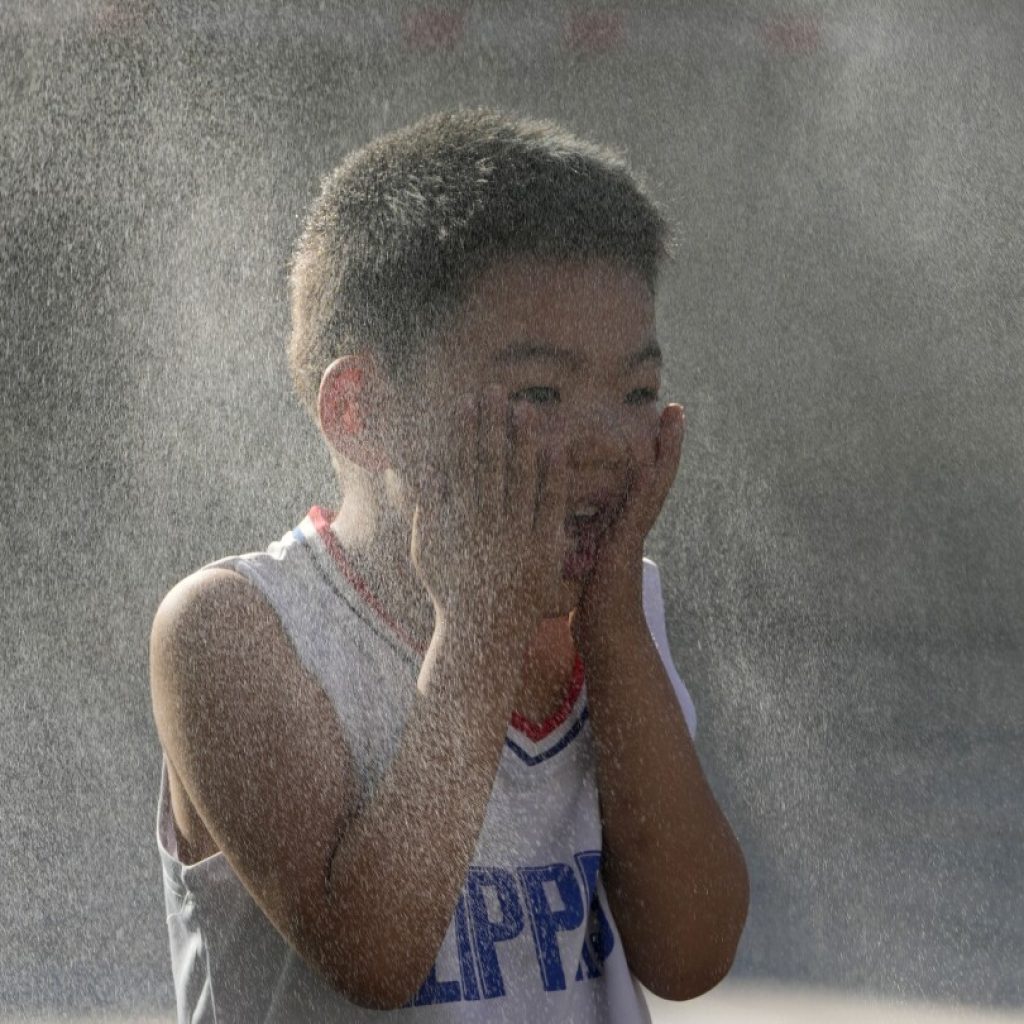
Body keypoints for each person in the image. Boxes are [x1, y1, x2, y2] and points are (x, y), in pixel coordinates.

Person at [150, 109, 749, 1023]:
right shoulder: (236, 630)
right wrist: (477, 629)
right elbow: (377, 954)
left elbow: (691, 951)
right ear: (361, 411)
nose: (605, 444)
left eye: (637, 392)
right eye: (542, 392)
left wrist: (618, 627)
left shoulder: (615, 617)